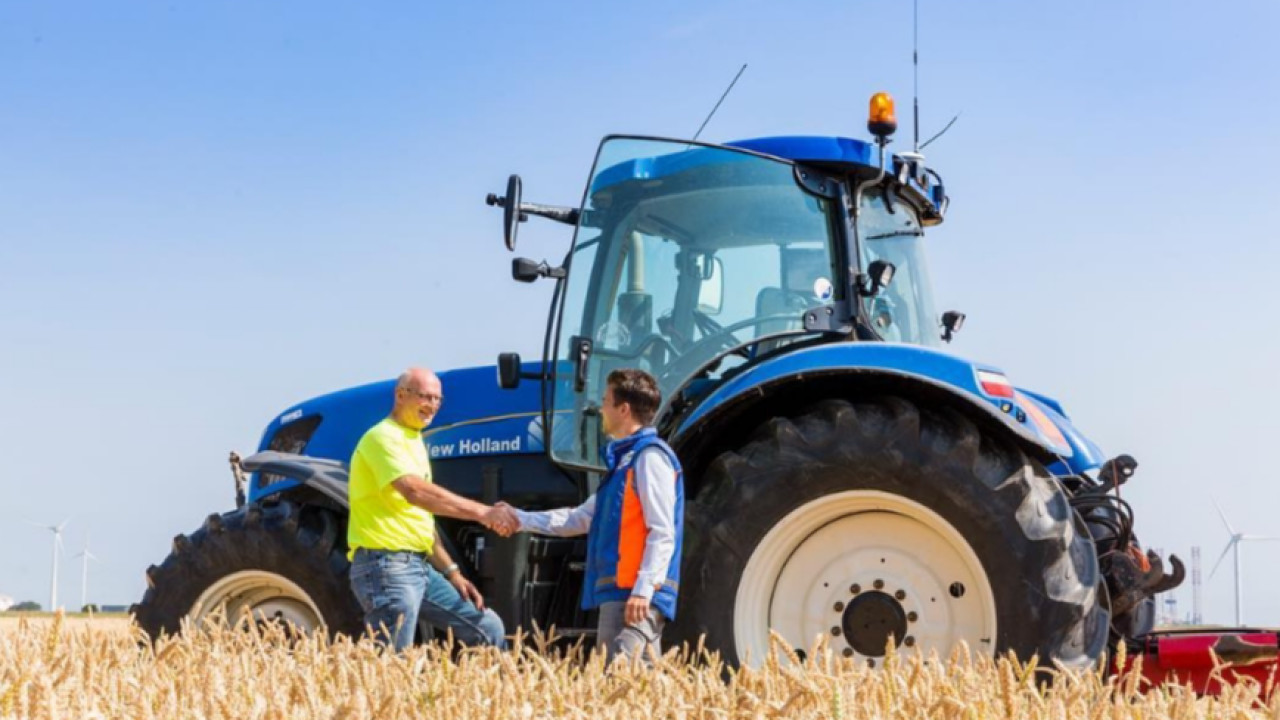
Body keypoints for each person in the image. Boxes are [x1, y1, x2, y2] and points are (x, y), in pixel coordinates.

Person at [498, 368, 684, 662]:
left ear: (623, 409)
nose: (601, 409)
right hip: (619, 592)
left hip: (637, 594)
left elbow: (662, 532)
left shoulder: (649, 458)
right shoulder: (625, 464)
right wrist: (520, 518)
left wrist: (644, 590)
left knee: (628, 680)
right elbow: (579, 519)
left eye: (606, 401)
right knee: (620, 686)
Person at [347, 367, 518, 651]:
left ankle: (475, 694)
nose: (434, 406)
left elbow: (420, 519)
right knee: (391, 661)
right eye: (426, 397)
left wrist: (452, 572)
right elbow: (415, 492)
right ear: (401, 395)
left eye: (439, 399)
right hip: (386, 567)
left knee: (488, 627)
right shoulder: (382, 437)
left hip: (419, 568)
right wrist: (483, 513)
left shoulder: (413, 440)